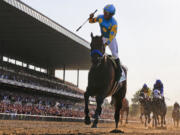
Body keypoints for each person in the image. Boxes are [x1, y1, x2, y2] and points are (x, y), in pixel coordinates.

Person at [89, 4, 123, 82]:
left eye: (106, 13)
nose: (104, 14)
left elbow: (112, 35)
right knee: (97, 50)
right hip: (103, 36)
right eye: (104, 12)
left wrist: (106, 44)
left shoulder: (114, 23)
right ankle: (95, 66)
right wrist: (91, 17)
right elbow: (91, 21)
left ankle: (119, 72)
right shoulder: (100, 17)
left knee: (114, 54)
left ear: (111, 15)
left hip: (111, 38)